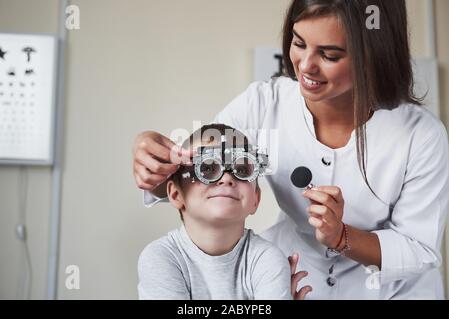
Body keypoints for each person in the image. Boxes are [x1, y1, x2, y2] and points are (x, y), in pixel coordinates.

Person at [133, 0, 449, 299]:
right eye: (298, 43)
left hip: (393, 290)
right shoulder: (264, 104)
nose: (305, 66)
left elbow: (418, 248)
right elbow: (195, 173)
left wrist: (341, 237)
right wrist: (152, 157)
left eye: (330, 55)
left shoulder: (420, 135)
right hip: (296, 276)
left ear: (373, 56)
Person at [138, 124, 311, 300]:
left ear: (255, 200)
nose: (227, 177)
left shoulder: (268, 259)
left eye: (242, 170)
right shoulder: (161, 257)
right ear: (175, 194)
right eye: (207, 168)